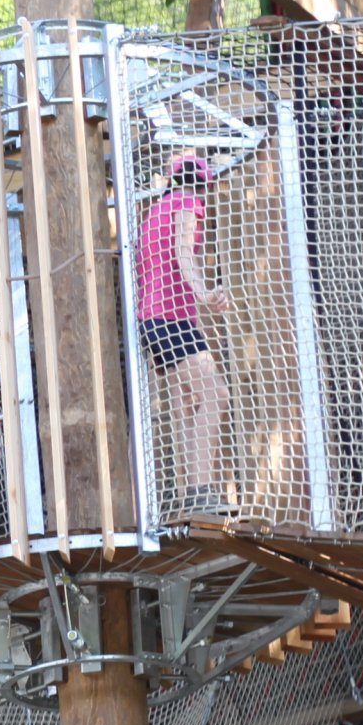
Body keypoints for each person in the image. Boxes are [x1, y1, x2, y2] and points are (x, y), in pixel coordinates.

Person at [138, 152, 232, 518]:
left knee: (188, 404)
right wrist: (205, 293)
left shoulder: (153, 212)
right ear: (202, 184)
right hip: (170, 319)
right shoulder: (187, 203)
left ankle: (194, 491)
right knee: (217, 393)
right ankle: (199, 490)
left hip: (156, 319)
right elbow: (182, 252)